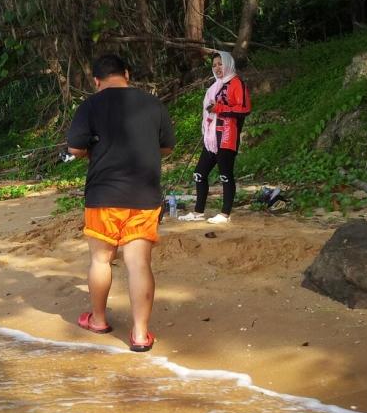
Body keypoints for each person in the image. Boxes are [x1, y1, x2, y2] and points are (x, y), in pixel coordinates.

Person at [65, 54, 175, 352]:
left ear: (96, 81)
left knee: (101, 259)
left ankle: (98, 320)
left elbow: (74, 148)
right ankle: (140, 334)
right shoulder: (153, 103)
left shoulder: (90, 105)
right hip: (144, 195)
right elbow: (165, 147)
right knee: (138, 263)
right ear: (127, 74)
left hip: (103, 195)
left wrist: (93, 152)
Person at [177, 50, 251, 224]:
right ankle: (198, 212)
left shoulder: (236, 83)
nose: (217, 68)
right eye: (214, 65)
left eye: (220, 64)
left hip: (226, 136)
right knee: (199, 174)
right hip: (211, 138)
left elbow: (244, 109)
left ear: (228, 64)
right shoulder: (215, 86)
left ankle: (225, 214)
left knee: (225, 175)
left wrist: (219, 109)